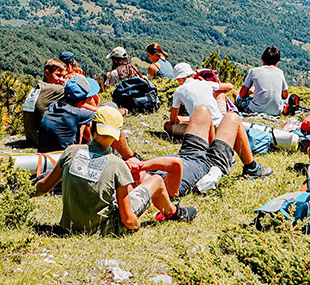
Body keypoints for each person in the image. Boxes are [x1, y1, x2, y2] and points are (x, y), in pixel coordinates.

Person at [33, 106, 195, 234]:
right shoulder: (117, 165)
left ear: (91, 127)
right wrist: (137, 224)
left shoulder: (71, 152)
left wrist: (21, 196)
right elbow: (127, 219)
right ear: (117, 136)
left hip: (68, 226)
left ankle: (171, 211)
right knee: (157, 181)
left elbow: (43, 187)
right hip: (105, 230)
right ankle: (173, 213)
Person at [140, 103, 272, 194]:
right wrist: (143, 165)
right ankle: (252, 168)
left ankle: (213, 148)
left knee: (202, 110)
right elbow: (175, 165)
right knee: (233, 118)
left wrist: (140, 165)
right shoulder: (165, 187)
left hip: (188, 153)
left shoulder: (143, 176)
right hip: (210, 164)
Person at [37, 75, 135, 159]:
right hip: (64, 161)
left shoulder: (53, 106)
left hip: (44, 158)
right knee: (111, 126)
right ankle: (130, 157)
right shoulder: (79, 114)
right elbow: (107, 116)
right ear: (83, 100)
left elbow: (81, 107)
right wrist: (120, 111)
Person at [22, 59, 70, 145]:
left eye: (64, 77)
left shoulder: (38, 87)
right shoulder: (55, 89)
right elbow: (79, 92)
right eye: (58, 75)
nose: (62, 80)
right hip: (44, 141)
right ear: (47, 73)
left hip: (32, 138)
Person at [237, 46, 289, 116]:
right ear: (277, 62)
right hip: (276, 111)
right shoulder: (280, 72)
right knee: (289, 98)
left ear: (262, 59)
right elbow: (285, 96)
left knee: (236, 94)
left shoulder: (253, 71)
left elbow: (242, 94)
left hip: (255, 110)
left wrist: (250, 92)